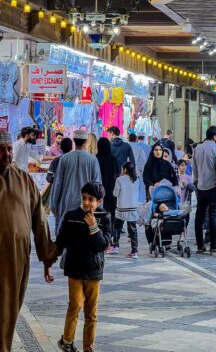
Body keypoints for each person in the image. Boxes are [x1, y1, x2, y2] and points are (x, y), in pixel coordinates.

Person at [0, 130, 57, 352]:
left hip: (15, 258)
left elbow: (39, 221)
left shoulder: (24, 180)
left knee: (8, 307)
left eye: (9, 149)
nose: (6, 154)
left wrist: (47, 255)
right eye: (2, 150)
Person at [54, 181, 111, 352]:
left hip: (94, 271)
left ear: (99, 201)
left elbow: (103, 245)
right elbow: (61, 241)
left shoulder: (105, 217)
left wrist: (93, 226)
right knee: (75, 305)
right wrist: (48, 261)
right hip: (75, 269)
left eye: (91, 199)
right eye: (84, 198)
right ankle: (67, 342)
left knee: (91, 313)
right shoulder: (71, 216)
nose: (86, 202)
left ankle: (88, 348)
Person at [51, 130, 102, 232]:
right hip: (86, 205)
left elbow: (58, 183)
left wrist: (53, 204)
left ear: (74, 141)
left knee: (67, 235)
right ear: (86, 141)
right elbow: (97, 185)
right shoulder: (92, 160)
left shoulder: (64, 158)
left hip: (67, 203)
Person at [192, 125, 216, 254]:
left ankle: (200, 245)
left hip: (200, 187)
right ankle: (214, 245)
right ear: (214, 136)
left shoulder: (197, 148)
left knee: (199, 216)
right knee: (213, 215)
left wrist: (198, 180)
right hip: (214, 187)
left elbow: (194, 168)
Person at [111, 162, 140, 259]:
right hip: (132, 208)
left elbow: (115, 194)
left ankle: (115, 246)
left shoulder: (119, 180)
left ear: (125, 170)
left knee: (117, 227)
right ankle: (134, 251)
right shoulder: (136, 180)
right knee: (133, 230)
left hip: (121, 209)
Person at [96, 137, 120, 225]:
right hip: (111, 189)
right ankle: (111, 231)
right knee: (112, 211)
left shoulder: (96, 158)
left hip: (98, 189)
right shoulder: (113, 159)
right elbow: (117, 174)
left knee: (99, 212)